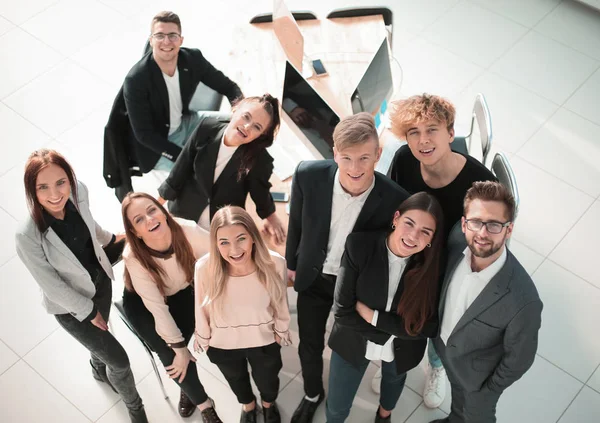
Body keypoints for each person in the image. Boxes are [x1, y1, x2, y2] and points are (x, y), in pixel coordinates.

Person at [286, 113, 409, 422]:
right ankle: (312, 393)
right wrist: (290, 263)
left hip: (356, 288)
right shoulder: (307, 175)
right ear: (334, 153)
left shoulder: (396, 199)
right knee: (309, 343)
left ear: (378, 155)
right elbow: (297, 223)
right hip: (313, 277)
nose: (355, 168)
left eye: (364, 158)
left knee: (348, 351)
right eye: (347, 158)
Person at [380, 93, 496, 407]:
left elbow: (489, 247)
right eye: (413, 132)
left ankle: (436, 365)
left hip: (452, 265)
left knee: (442, 320)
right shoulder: (404, 159)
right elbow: (393, 203)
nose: (422, 141)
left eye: (432, 129)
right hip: (412, 250)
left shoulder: (481, 186)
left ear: (450, 133)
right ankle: (391, 355)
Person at [14, 149, 147, 423]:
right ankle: (135, 408)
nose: (55, 194)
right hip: (72, 308)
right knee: (120, 362)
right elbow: (52, 287)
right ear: (31, 190)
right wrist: (89, 312)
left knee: (139, 238)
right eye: (43, 187)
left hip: (99, 282)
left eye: (61, 182)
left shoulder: (79, 191)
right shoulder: (27, 235)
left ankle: (98, 368)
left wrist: (112, 239)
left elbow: (91, 226)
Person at [430, 181, 543, 423]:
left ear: (508, 230)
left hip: (479, 381)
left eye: (493, 224)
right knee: (458, 402)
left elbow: (519, 359)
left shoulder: (524, 301)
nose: (482, 233)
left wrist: (488, 389)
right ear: (464, 224)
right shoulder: (456, 241)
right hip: (447, 352)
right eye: (476, 222)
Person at [327, 193, 445, 422]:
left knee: (392, 383)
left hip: (400, 348)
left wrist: (374, 317)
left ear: (432, 238)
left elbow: (429, 328)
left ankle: (384, 415)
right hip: (353, 339)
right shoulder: (359, 245)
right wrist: (396, 330)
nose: (413, 236)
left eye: (425, 231)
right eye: (409, 223)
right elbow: (342, 312)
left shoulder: (432, 268)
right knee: (337, 407)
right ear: (396, 218)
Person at [107, 10, 243, 190]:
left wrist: (241, 109)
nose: (166, 41)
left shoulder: (192, 58)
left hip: (185, 121)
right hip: (157, 145)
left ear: (181, 40)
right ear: (151, 40)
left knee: (237, 127)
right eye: (159, 36)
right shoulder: (136, 80)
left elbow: (228, 86)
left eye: (172, 35)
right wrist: (183, 155)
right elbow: (144, 135)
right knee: (205, 173)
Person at [120, 192, 222, 422]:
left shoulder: (187, 230)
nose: (149, 219)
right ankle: (205, 405)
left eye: (152, 210)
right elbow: (156, 308)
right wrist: (179, 348)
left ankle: (187, 389)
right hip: (143, 303)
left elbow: (219, 256)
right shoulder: (133, 256)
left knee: (180, 350)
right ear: (135, 232)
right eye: (138, 220)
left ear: (163, 212)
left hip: (182, 290)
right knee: (170, 352)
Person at [194, 206, 290, 423]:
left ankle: (268, 405)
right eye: (224, 242)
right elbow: (201, 308)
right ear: (216, 244)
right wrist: (205, 339)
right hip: (223, 343)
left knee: (268, 379)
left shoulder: (275, 263)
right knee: (235, 379)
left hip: (264, 338)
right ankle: (248, 405)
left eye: (241, 238)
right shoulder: (204, 268)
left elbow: (280, 301)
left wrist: (281, 329)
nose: (234, 250)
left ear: (253, 237)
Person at [157, 94, 286, 243]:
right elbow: (179, 170)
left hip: (223, 228)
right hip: (183, 212)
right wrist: (155, 206)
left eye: (257, 127)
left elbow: (260, 192)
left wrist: (270, 216)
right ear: (235, 109)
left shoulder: (260, 160)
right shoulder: (206, 128)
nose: (247, 127)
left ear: (261, 135)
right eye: (246, 117)